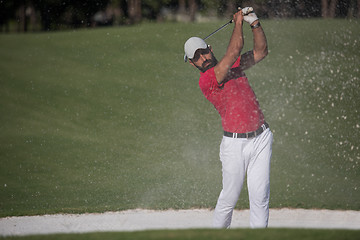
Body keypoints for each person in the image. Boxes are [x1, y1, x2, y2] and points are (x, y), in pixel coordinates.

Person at [184, 7, 273, 229]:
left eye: (203, 52)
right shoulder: (206, 81)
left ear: (210, 49)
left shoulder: (233, 66)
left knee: (260, 197)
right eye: (196, 57)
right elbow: (234, 51)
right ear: (191, 63)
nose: (203, 58)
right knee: (229, 199)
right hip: (235, 145)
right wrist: (238, 23)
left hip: (261, 138)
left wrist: (254, 22)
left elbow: (261, 51)